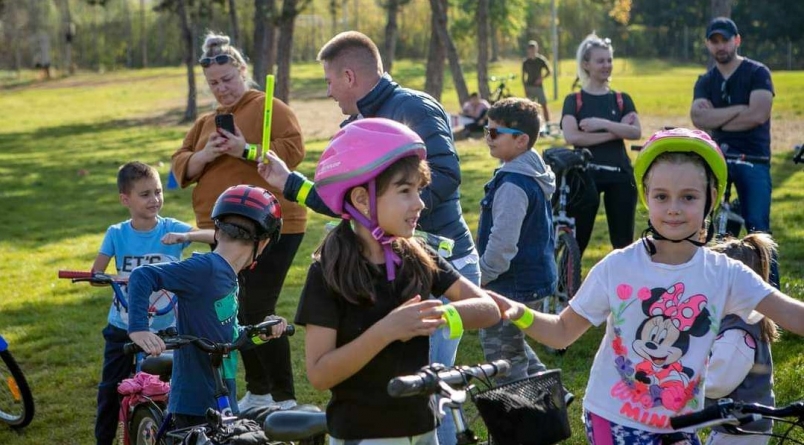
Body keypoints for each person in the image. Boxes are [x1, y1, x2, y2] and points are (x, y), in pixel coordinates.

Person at [488, 128, 804, 444]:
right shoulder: (618, 266)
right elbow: (561, 332)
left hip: (681, 423)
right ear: (646, 197)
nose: (674, 208)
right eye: (661, 196)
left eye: (689, 197)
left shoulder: (725, 274)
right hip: (612, 419)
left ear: (711, 198)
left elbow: (793, 315)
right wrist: (519, 313)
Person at [257, 30, 479, 445]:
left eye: (328, 81)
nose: (327, 92)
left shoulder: (411, 109)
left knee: (432, 390)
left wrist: (402, 220)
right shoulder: (360, 125)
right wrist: (290, 184)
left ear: (348, 75)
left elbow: (445, 176)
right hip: (378, 260)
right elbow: (351, 203)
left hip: (432, 264)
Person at [293, 118, 500, 445]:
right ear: (362, 200)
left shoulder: (418, 256)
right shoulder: (327, 271)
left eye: (419, 189)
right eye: (405, 191)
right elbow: (319, 374)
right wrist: (388, 330)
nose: (419, 202)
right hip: (361, 434)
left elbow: (488, 309)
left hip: (422, 428)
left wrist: (438, 316)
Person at [170, 31, 306, 411]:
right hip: (224, 231)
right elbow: (179, 167)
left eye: (228, 79)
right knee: (234, 309)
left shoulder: (268, 107)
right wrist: (206, 154)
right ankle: (259, 391)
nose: (222, 89)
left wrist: (244, 148)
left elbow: (293, 151)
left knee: (258, 308)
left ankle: (285, 398)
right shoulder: (206, 122)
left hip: (270, 227)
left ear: (243, 71)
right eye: (214, 83)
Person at [127, 185, 288, 430]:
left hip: (223, 394)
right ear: (263, 243)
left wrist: (262, 333)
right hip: (193, 402)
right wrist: (139, 328)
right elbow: (142, 276)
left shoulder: (228, 275)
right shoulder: (204, 268)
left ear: (217, 229)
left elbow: (231, 336)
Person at [90, 161, 213, 445]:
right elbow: (96, 272)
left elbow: (215, 235)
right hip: (124, 324)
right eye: (145, 194)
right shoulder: (117, 233)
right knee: (111, 388)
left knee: (172, 386)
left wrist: (187, 236)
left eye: (157, 192)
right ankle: (104, 439)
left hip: (167, 327)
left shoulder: (170, 229)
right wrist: (105, 277)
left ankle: (175, 432)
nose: (155, 199)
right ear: (125, 199)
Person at [690, 17, 778, 287]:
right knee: (707, 226)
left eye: (725, 40)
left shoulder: (757, 72)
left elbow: (759, 114)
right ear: (707, 44)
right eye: (714, 41)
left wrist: (717, 118)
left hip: (754, 160)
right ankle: (710, 291)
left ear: (737, 40)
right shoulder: (706, 81)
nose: (720, 46)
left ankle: (771, 293)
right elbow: (698, 118)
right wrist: (740, 109)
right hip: (718, 158)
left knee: (758, 226)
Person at [477, 98, 556, 384]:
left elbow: (503, 243)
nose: (488, 138)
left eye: (495, 133)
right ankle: (551, 393)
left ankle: (521, 417)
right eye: (487, 130)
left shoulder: (513, 184)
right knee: (515, 345)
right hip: (532, 280)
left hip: (510, 284)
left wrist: (482, 275)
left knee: (503, 361)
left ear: (522, 140)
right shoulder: (530, 170)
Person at [560, 33, 642, 257]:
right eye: (600, 61)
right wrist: (615, 131)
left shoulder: (622, 99)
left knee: (623, 243)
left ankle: (625, 289)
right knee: (578, 241)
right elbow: (572, 137)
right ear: (586, 64)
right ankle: (566, 287)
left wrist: (601, 124)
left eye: (609, 60)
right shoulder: (574, 100)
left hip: (620, 175)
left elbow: (636, 132)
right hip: (586, 175)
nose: (607, 65)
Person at [705, 233, 779, 445]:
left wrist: (685, 383)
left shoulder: (736, 335)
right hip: (744, 426)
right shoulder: (746, 319)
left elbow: (717, 384)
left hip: (739, 430)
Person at [522, 40, 552, 123]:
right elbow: (523, 77)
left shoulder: (541, 60)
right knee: (530, 107)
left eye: (533, 49)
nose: (532, 51)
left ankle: (548, 123)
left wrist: (541, 79)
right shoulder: (526, 62)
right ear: (528, 50)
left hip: (538, 86)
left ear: (536, 49)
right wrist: (525, 88)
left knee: (544, 105)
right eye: (530, 49)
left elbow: (549, 71)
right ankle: (533, 124)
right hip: (529, 86)